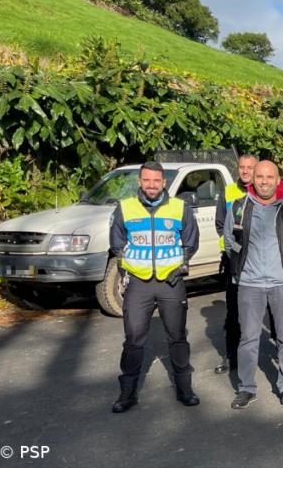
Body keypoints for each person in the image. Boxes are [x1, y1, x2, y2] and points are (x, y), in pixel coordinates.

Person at [109, 161, 201, 413]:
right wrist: (129, 266)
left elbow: (191, 242)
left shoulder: (179, 207)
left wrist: (178, 266)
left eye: (156, 181)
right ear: (139, 182)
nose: (152, 185)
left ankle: (185, 390)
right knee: (134, 340)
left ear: (163, 182)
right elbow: (117, 244)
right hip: (139, 284)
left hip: (171, 283)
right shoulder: (125, 208)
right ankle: (127, 394)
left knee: (178, 337)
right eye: (147, 180)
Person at [223, 160, 283, 409]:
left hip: (282, 283)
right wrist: (245, 269)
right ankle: (246, 388)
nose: (264, 181)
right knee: (248, 339)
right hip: (249, 284)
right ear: (253, 179)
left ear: (277, 179)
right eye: (259, 176)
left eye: (269, 177)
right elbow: (230, 241)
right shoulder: (239, 207)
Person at [213, 153, 257, 375]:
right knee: (234, 311)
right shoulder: (228, 192)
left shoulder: (265, 192)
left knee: (271, 310)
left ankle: (281, 354)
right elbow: (220, 225)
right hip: (234, 261)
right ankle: (232, 356)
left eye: (250, 167)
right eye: (242, 167)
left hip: (260, 261)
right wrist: (234, 248)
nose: (246, 171)